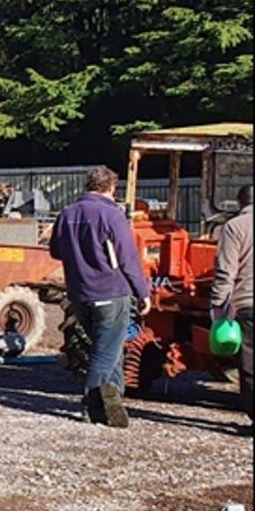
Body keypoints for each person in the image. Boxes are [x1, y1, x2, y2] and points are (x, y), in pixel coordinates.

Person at [49, 164, 150, 427]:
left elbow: (55, 251)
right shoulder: (112, 215)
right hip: (111, 291)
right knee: (105, 353)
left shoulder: (67, 214)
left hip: (79, 293)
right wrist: (143, 292)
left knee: (110, 349)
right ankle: (92, 406)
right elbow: (128, 258)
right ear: (111, 187)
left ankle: (113, 401)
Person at [210, 182, 254, 425]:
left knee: (250, 364)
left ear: (240, 203)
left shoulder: (234, 227)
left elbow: (226, 271)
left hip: (247, 302)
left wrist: (218, 305)